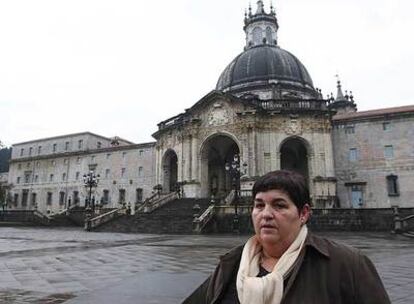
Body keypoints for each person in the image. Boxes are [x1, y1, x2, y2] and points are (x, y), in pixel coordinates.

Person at [183, 170, 390, 304]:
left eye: (279, 205)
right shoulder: (230, 265)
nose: (266, 214)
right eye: (259, 205)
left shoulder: (348, 264)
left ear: (304, 213)